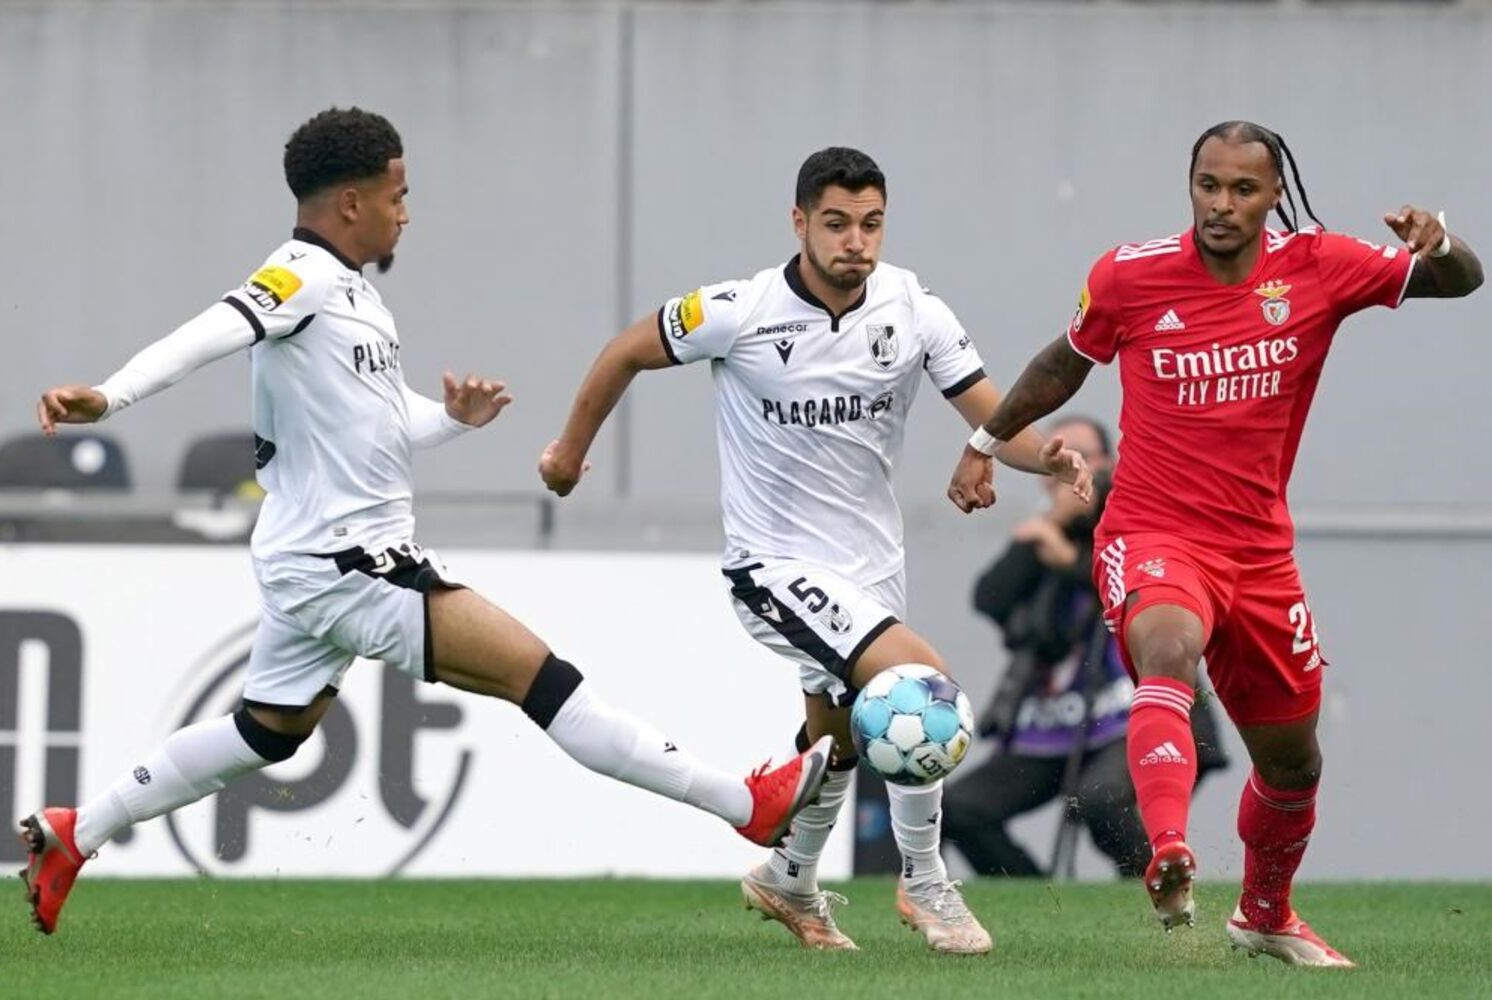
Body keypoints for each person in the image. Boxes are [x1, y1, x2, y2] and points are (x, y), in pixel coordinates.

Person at [22, 107, 833, 936]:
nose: (406, 212)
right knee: (543, 680)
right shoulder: (299, 275)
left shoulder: (355, 297)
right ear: (350, 203)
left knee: (266, 733)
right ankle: (747, 806)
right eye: (397, 195)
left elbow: (376, 424)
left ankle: (75, 833)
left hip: (315, 561)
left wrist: (450, 419)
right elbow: (216, 328)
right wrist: (110, 396)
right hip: (350, 564)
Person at [946, 120, 1482, 966]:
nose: (1221, 204)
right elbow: (1065, 361)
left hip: (1260, 554)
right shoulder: (1129, 274)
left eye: (1242, 188)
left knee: (1294, 763)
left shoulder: (1321, 265)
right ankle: (1169, 852)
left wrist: (1440, 243)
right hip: (1152, 530)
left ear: (1274, 194)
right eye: (1208, 184)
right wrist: (985, 443)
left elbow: (1462, 282)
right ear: (1190, 184)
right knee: (1169, 648)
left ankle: (1265, 914)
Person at [540, 147, 1091, 953]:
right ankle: (926, 882)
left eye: (871, 224)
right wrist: (566, 454)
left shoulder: (913, 308)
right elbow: (626, 350)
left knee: (835, 742)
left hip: (872, 569)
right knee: (921, 689)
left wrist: (1046, 457)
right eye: (836, 223)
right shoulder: (739, 310)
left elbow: (992, 413)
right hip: (772, 567)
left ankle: (788, 877)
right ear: (799, 222)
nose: (855, 242)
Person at [942, 417, 1226, 879]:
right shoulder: (1046, 532)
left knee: (1102, 800)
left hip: (1134, 716)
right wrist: (1051, 529)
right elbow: (990, 598)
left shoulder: (1137, 516)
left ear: (1109, 464)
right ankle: (1037, 902)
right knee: (957, 808)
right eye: (1058, 456)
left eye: (1083, 455)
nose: (1070, 467)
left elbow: (1140, 584)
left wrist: (1070, 558)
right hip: (1054, 724)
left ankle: (1158, 888)